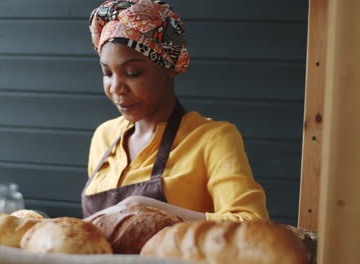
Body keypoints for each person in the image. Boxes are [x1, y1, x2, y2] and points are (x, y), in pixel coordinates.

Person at [82, 0, 269, 222]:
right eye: (108, 73)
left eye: (132, 73)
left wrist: (153, 210)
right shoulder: (105, 136)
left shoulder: (212, 139)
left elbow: (253, 223)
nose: (116, 88)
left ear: (169, 67)